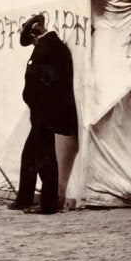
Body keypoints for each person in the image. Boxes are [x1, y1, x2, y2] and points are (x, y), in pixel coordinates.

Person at [8, 13, 78, 215]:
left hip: (43, 114)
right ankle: (24, 199)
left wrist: (32, 101)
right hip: (49, 113)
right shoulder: (59, 47)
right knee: (29, 156)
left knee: (45, 159)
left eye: (31, 39)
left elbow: (38, 83)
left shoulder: (44, 49)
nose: (32, 43)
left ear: (35, 33)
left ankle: (47, 204)